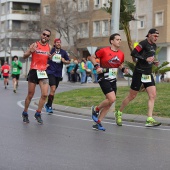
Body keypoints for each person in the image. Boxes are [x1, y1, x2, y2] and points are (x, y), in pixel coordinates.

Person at [115, 28, 161, 127]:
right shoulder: (143, 44)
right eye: (155, 36)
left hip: (147, 74)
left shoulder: (154, 45)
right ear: (149, 35)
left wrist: (154, 61)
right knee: (132, 96)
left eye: (157, 36)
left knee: (152, 95)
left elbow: (149, 58)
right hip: (139, 73)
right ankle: (119, 112)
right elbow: (134, 53)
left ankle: (149, 119)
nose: (156, 38)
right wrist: (145, 58)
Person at [89, 33, 128, 131]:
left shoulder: (121, 54)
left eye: (120, 39)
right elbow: (91, 57)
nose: (119, 41)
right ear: (112, 41)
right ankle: (96, 109)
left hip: (113, 79)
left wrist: (124, 70)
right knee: (112, 99)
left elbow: (119, 64)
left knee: (109, 103)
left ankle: (98, 122)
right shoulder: (104, 51)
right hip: (103, 78)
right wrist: (97, 66)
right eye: (117, 39)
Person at [22, 29, 51, 124]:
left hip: (43, 72)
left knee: (45, 94)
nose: (45, 36)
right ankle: (25, 112)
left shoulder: (49, 47)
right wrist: (30, 51)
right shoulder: (34, 45)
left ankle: (38, 113)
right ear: (41, 35)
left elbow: (48, 59)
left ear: (48, 37)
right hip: (34, 71)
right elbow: (24, 56)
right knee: (30, 94)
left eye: (47, 35)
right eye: (44, 34)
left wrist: (49, 61)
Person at [45, 38, 70, 114]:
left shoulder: (63, 52)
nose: (58, 44)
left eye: (59, 42)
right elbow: (45, 58)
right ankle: (49, 106)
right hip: (51, 72)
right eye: (57, 42)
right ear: (54, 43)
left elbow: (68, 61)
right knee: (52, 88)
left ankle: (48, 104)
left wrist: (64, 61)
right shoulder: (51, 51)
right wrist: (47, 62)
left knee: (53, 91)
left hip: (58, 73)